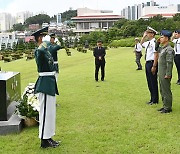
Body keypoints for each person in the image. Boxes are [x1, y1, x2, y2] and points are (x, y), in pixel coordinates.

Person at [31, 27, 60, 148]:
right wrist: (47, 42)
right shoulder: (39, 50)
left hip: (50, 82)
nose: (47, 39)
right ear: (39, 38)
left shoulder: (45, 49)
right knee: (45, 113)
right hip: (44, 83)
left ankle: (49, 137)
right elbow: (41, 50)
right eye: (44, 37)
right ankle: (44, 140)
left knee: (50, 113)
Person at [157, 30, 175, 113]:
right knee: (162, 89)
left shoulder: (169, 49)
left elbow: (169, 62)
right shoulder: (163, 48)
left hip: (165, 73)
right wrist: (157, 43)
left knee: (166, 90)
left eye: (162, 37)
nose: (160, 38)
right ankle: (165, 105)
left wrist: (168, 74)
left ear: (167, 38)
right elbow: (156, 49)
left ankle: (168, 107)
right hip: (161, 73)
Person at [140, 26, 159, 105]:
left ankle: (155, 99)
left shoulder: (154, 43)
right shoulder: (148, 42)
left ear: (152, 34)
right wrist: (143, 37)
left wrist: (154, 66)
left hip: (152, 62)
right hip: (147, 62)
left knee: (153, 81)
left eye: (148, 33)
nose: (147, 34)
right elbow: (141, 44)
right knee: (149, 81)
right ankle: (152, 98)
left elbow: (156, 54)